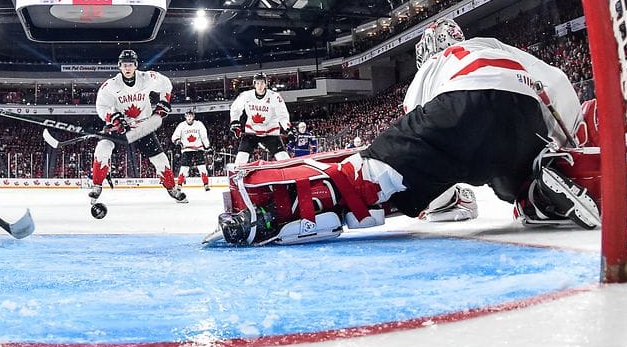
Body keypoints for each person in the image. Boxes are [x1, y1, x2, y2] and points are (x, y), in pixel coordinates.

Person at [215, 18, 600, 246]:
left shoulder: (437, 64)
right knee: (516, 184)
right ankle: (537, 194)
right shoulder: (511, 51)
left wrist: (431, 193)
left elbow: (428, 141)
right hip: (531, 119)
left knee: (373, 179)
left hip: (462, 102)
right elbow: (564, 106)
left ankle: (277, 212)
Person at [90, 49, 186, 203]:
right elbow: (101, 107)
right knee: (102, 148)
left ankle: (171, 188)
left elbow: (166, 84)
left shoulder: (147, 78)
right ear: (119, 66)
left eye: (130, 64)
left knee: (160, 159)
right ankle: (97, 185)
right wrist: (112, 117)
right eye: (124, 65)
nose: (127, 68)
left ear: (136, 65)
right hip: (120, 128)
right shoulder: (110, 86)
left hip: (143, 128)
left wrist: (164, 101)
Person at [229, 72, 291, 165]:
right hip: (252, 131)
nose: (260, 86)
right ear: (254, 84)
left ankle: (289, 173)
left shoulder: (274, 96)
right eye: (257, 83)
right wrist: (235, 122)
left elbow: (282, 115)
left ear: (266, 84)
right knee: (241, 158)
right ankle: (238, 176)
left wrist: (288, 128)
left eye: (262, 83)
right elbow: (235, 109)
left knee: (283, 157)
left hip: (270, 132)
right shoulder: (246, 95)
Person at [170, 110, 212, 192]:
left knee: (202, 167)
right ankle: (179, 185)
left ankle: (206, 184)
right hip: (186, 149)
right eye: (188, 116)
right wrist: (177, 141)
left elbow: (204, 136)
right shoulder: (181, 125)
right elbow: (174, 136)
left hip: (198, 149)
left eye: (191, 116)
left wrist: (207, 146)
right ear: (185, 117)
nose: (189, 117)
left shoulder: (199, 124)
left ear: (193, 117)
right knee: (184, 168)